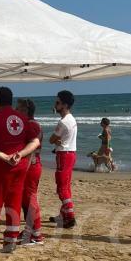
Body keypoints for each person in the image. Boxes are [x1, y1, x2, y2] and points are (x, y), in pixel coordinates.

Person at [0, 87, 40, 254]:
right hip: (19, 167)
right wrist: (20, 154)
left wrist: (4, 156)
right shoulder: (22, 118)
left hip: (0, 168)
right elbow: (35, 142)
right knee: (14, 203)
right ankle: (10, 241)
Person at [49, 90, 78, 228]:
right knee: (66, 185)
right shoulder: (72, 119)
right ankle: (63, 214)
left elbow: (51, 139)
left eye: (58, 102)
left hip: (64, 155)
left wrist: (56, 140)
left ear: (64, 105)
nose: (55, 104)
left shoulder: (63, 122)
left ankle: (70, 215)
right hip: (71, 153)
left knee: (61, 187)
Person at [17, 98, 43, 245]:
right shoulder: (32, 124)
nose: (16, 111)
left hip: (30, 166)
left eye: (18, 109)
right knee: (26, 199)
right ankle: (29, 229)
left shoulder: (31, 125)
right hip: (30, 165)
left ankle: (37, 234)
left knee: (30, 199)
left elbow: (31, 149)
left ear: (25, 110)